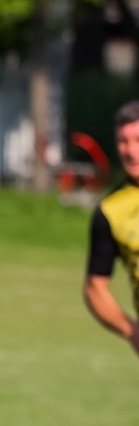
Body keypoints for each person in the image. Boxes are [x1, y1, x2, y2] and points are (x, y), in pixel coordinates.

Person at [83, 101, 139, 353]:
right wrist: (131, 330)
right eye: (123, 141)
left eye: (138, 140)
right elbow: (95, 287)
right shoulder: (110, 211)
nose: (131, 151)